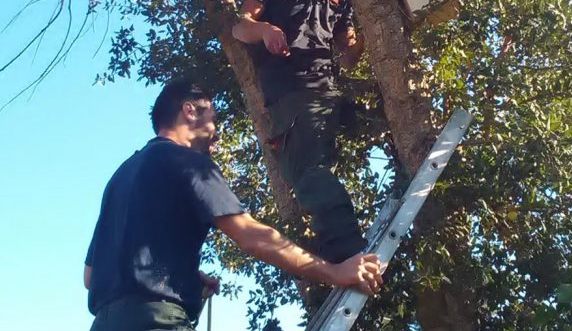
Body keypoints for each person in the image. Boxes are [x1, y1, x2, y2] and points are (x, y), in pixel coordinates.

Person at [84, 80, 382, 331]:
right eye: (213, 117)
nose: (217, 131)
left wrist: (186, 275)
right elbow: (251, 236)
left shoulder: (121, 176)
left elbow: (90, 277)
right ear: (190, 111)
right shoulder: (188, 162)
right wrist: (335, 272)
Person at [232, 0, 366, 264]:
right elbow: (240, 28)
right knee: (307, 170)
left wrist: (374, 37)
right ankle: (347, 254)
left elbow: (349, 54)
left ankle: (358, 245)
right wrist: (264, 30)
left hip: (330, 92)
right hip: (292, 91)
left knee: (383, 131)